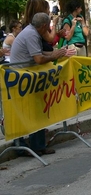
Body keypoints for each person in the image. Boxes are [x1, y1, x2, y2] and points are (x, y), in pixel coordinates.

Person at [12, 12, 67, 157]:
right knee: (32, 112)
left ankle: (37, 145)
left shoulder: (32, 32)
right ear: (43, 26)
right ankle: (26, 146)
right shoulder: (31, 34)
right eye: (48, 26)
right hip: (23, 78)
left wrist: (54, 53)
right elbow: (38, 59)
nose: (49, 29)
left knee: (37, 111)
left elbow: (38, 53)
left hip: (27, 76)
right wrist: (53, 56)